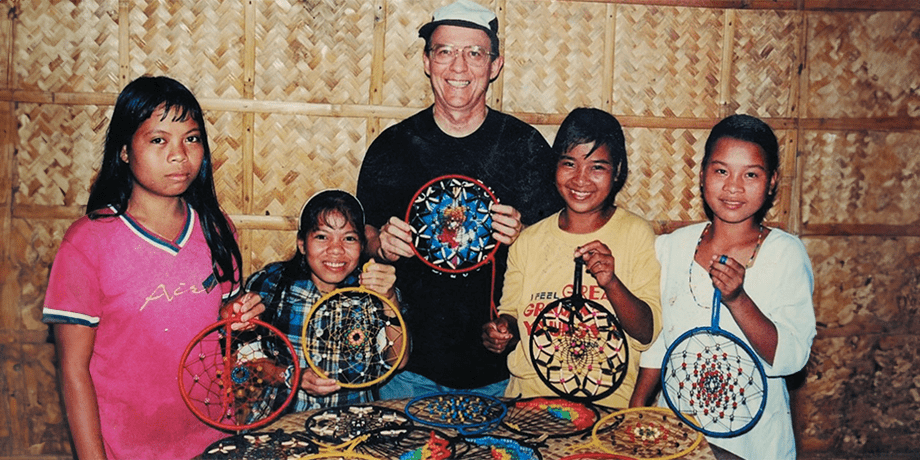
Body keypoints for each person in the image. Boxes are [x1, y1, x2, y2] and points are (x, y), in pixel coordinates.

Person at [41, 76, 264, 459]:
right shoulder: (88, 243)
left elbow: (222, 336)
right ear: (125, 151)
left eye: (191, 139)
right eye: (159, 140)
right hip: (126, 449)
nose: (179, 155)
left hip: (215, 442)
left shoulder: (216, 229)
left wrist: (234, 318)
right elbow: (73, 372)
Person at [356, 0, 563, 398]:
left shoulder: (526, 148)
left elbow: (557, 248)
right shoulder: (392, 147)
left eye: (474, 53)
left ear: (495, 66)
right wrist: (380, 243)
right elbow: (360, 235)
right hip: (406, 368)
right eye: (445, 51)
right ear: (426, 61)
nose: (459, 67)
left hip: (505, 375)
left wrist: (525, 236)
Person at [629, 114, 816, 460]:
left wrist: (738, 299)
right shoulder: (673, 246)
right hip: (679, 438)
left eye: (751, 174)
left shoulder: (785, 254)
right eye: (721, 171)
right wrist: (636, 410)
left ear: (772, 181)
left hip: (756, 444)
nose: (733, 187)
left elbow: (792, 357)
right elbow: (659, 342)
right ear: (702, 176)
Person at [481, 107, 662, 408]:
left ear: (617, 171)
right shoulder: (528, 241)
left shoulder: (636, 234)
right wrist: (502, 331)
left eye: (597, 167)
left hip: (607, 410)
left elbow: (647, 333)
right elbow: (511, 314)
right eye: (569, 163)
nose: (581, 179)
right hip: (528, 406)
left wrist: (611, 283)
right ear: (554, 167)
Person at [244, 190, 406, 411]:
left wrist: (389, 299)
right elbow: (241, 357)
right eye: (322, 237)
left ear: (361, 246)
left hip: (350, 426)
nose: (336, 250)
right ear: (302, 244)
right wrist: (294, 377)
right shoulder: (272, 283)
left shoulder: (373, 288)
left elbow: (397, 361)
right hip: (279, 424)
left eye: (349, 238)